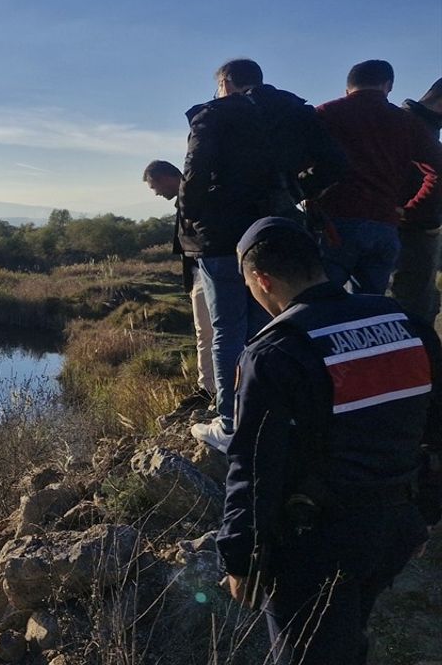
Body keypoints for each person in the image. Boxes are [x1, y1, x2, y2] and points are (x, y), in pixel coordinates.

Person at [217, 216, 442, 664]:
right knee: (346, 634)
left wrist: (238, 559)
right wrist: (426, 515)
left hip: (316, 546)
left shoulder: (275, 352)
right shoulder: (407, 324)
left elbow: (255, 469)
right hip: (396, 527)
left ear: (262, 280)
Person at [180, 59, 282, 451]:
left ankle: (230, 422)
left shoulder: (213, 115)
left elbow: (196, 170)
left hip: (221, 237)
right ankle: (267, 411)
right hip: (269, 232)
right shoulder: (284, 112)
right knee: (264, 324)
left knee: (227, 329)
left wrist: (191, 215)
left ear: (224, 83)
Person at [314, 61, 442, 295]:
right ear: (388, 86)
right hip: (384, 224)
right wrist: (414, 208)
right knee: (372, 308)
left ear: (347, 87)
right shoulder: (406, 122)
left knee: (323, 302)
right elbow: (438, 169)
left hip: (335, 222)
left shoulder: (326, 113)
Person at [143, 159, 214, 418]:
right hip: (202, 274)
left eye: (154, 186)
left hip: (207, 272)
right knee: (206, 333)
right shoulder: (189, 196)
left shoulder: (195, 196)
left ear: (165, 177)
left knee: (207, 333)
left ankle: (209, 389)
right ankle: (211, 386)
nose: (156, 192)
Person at [391, 77, 442, 324]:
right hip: (410, 231)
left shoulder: (412, 122)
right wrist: (412, 212)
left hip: (408, 226)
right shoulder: (415, 126)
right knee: (413, 308)